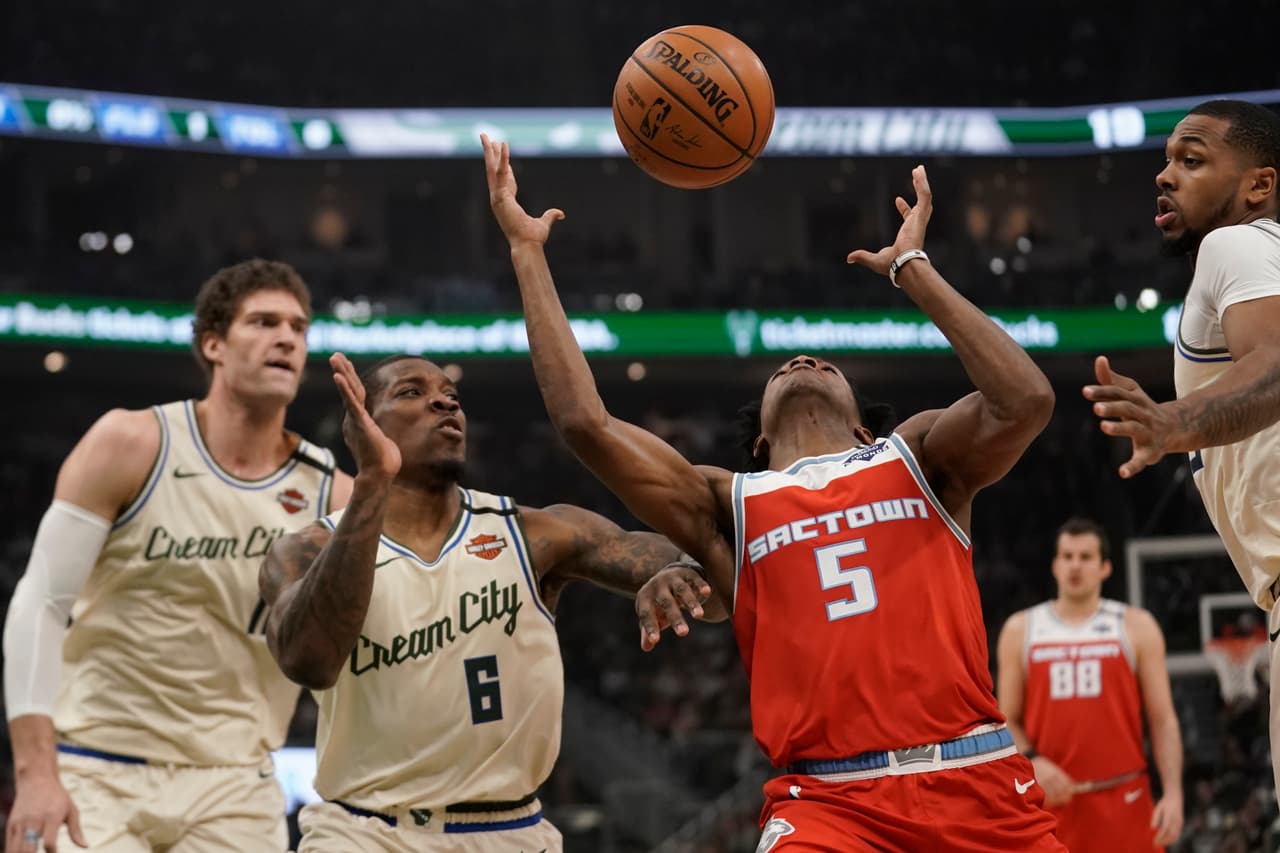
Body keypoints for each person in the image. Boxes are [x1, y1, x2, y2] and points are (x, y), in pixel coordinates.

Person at [483, 132, 1063, 851]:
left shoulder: (913, 454)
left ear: (862, 423)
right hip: (829, 804)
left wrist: (912, 269)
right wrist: (526, 251)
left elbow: (1026, 400)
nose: (802, 359)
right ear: (758, 438)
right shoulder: (731, 503)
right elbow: (586, 425)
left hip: (976, 781)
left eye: (824, 364)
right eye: (783, 368)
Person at [258, 351, 722, 853]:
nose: (444, 403)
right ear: (360, 426)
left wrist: (680, 569)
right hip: (363, 832)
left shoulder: (536, 533)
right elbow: (309, 661)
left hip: (511, 830)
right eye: (411, 392)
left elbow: (720, 576)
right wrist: (372, 484)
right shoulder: (305, 551)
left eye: (450, 395)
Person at [2, 260, 353, 853]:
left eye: (298, 327)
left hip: (236, 785)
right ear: (213, 344)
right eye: (264, 322)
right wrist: (35, 774)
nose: (287, 338)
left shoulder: (333, 495)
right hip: (98, 768)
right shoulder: (131, 443)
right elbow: (41, 602)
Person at [1081, 99, 1280, 792]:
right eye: (1167, 160)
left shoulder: (1236, 245)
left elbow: (1275, 363)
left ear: (1259, 184)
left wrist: (1174, 422)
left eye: (1191, 160)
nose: (1165, 175)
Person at [996, 517, 1184, 852]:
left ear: (1105, 568)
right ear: (1055, 566)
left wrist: (1173, 793)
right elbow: (1006, 719)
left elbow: (1163, 718)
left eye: (1085, 557)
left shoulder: (1137, 626)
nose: (1075, 566)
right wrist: (1032, 759)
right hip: (1048, 801)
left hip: (1125, 797)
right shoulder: (1020, 629)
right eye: (1067, 556)